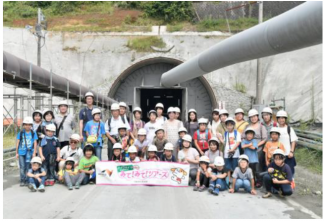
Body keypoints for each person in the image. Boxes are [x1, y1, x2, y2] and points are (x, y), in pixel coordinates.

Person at [243, 109, 267, 188]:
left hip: (258, 149)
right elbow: (242, 136)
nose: (253, 118)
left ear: (257, 117)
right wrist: (248, 145)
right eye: (251, 117)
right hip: (248, 149)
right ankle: (250, 180)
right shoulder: (247, 126)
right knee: (249, 165)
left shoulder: (261, 127)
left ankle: (259, 181)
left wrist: (256, 145)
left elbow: (264, 139)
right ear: (249, 118)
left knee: (257, 165)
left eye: (255, 116)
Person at [16, 117, 38, 186]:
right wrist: (16, 153)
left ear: (31, 125)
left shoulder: (33, 133)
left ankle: (28, 179)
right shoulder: (21, 133)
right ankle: (22, 180)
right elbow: (17, 143)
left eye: (29, 124)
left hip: (30, 153)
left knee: (28, 166)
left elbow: (35, 143)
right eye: (26, 124)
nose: (27, 126)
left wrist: (34, 152)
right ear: (23, 125)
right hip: (21, 152)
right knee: (22, 167)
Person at [219, 117, 241, 183]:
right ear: (226, 126)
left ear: (233, 125)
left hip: (235, 153)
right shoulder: (226, 133)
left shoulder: (237, 133)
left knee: (235, 167)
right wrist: (220, 138)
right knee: (228, 167)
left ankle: (234, 180)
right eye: (228, 125)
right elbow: (225, 142)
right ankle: (228, 180)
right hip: (227, 152)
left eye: (230, 125)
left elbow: (238, 142)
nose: (229, 127)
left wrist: (233, 149)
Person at [276, 110, 298, 176]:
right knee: (279, 172)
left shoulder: (289, 129)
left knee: (290, 171)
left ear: (285, 119)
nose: (281, 120)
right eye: (279, 118)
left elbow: (293, 141)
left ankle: (291, 184)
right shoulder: (275, 128)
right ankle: (281, 185)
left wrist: (291, 151)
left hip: (288, 154)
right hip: (279, 155)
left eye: (282, 118)